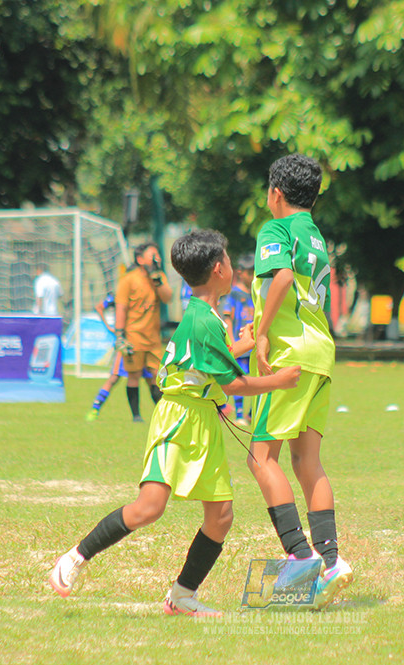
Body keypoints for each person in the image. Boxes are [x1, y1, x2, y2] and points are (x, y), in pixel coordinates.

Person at [49, 229, 300, 616]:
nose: (233, 267)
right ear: (219, 269)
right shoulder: (202, 320)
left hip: (202, 419)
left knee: (221, 516)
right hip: (179, 419)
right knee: (149, 507)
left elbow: (209, 364)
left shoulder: (204, 315)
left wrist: (242, 346)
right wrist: (280, 381)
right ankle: (76, 557)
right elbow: (232, 383)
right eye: (230, 261)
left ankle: (182, 595)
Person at [246, 153, 353, 611]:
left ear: (276, 193)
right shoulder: (315, 235)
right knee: (308, 462)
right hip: (322, 353)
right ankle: (332, 562)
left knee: (259, 457)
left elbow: (283, 277)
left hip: (290, 355)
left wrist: (264, 331)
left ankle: (302, 556)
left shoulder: (276, 228)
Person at [86, 242, 171, 422]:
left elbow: (168, 298)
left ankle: (164, 416)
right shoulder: (128, 279)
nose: (158, 259)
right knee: (128, 376)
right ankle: (136, 416)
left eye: (158, 255)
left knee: (158, 377)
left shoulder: (159, 277)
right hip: (133, 338)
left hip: (154, 339)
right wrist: (118, 334)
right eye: (153, 255)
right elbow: (121, 308)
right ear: (140, 260)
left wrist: (158, 280)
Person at [220, 253, 255, 425]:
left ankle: (251, 414)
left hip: (254, 345)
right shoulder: (233, 294)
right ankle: (240, 415)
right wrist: (233, 342)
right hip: (240, 345)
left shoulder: (256, 293)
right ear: (240, 272)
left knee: (256, 379)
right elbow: (228, 318)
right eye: (250, 271)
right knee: (239, 379)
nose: (254, 275)